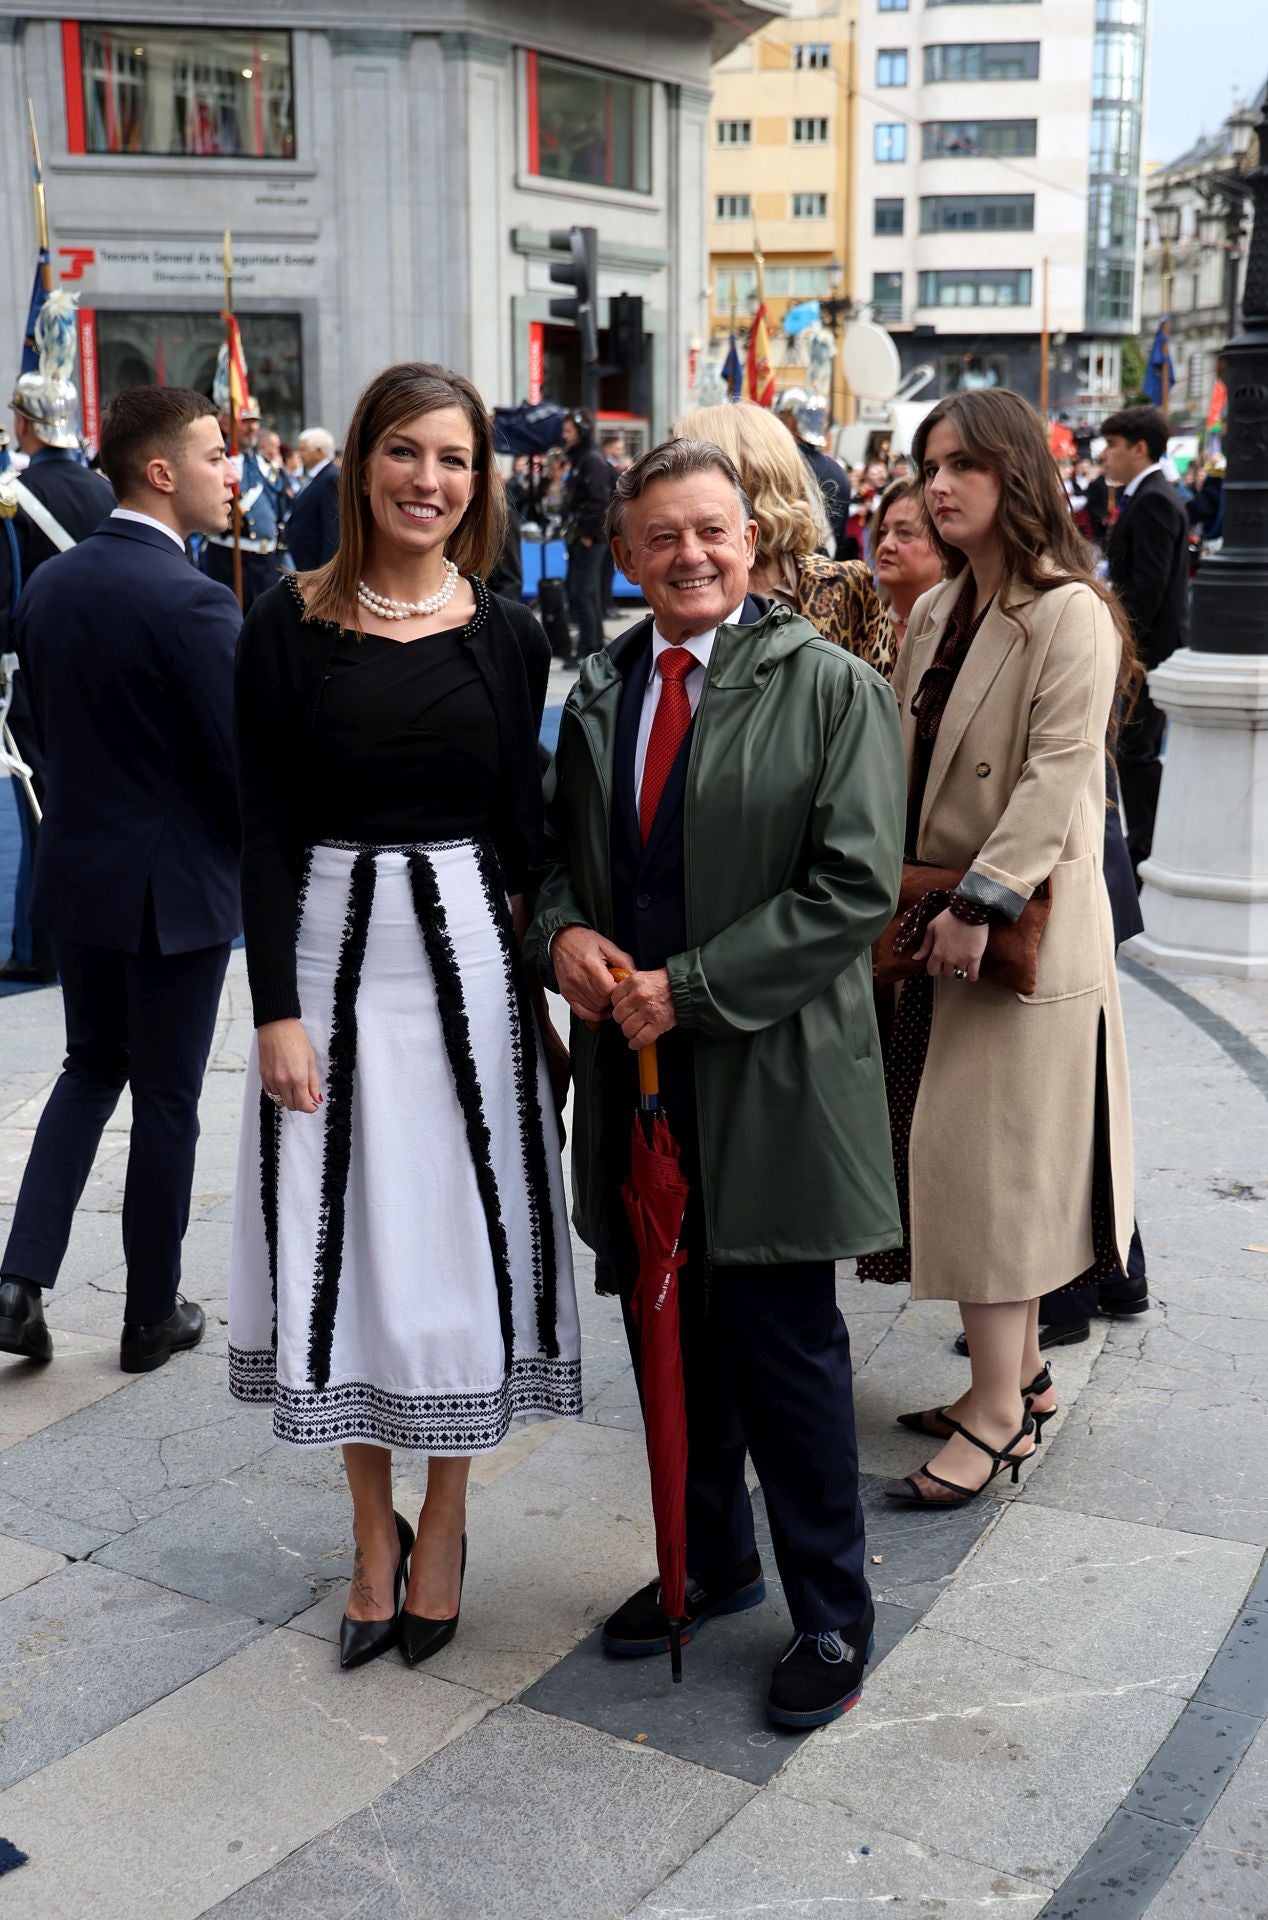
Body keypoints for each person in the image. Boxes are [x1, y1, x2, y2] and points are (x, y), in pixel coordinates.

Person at [525, 437, 905, 1729]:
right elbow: (563, 862)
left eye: (711, 531)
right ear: (624, 555)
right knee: (664, 1328)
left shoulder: (833, 690)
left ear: (753, 544)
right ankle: (709, 1563)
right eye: (660, 537)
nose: (688, 554)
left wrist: (685, 986)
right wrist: (563, 934)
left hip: (774, 1075)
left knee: (786, 1350)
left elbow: (851, 888)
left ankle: (835, 1618)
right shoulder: (600, 689)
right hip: (637, 1078)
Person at [228, 362, 580, 1672]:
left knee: (456, 1248)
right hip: (324, 963)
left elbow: (530, 837)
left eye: (454, 458)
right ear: (361, 463)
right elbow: (261, 827)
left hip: (469, 985)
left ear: (478, 480)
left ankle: (446, 1522)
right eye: (406, 453)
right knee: (344, 1256)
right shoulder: (286, 624)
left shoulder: (512, 632)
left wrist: (564, 970)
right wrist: (274, 1011)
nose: (429, 481)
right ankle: (370, 1537)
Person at [857, 388, 1136, 1508]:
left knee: (993, 1178)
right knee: (958, 1167)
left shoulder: (1066, 611)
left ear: (1015, 476)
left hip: (1010, 936)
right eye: (928, 463)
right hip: (934, 923)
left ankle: (996, 1415)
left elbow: (1055, 770)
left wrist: (977, 902)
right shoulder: (936, 607)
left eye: (962, 464)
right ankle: (1015, 1378)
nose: (936, 484)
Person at [0, 387, 241, 1372]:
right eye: (215, 453)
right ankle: (150, 1315)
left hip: (79, 874)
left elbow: (34, 730)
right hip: (173, 888)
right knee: (170, 1101)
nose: (231, 472)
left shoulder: (52, 584)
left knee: (90, 1068)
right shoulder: (193, 598)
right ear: (159, 471)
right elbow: (238, 765)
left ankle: (19, 1281)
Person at [1, 358, 114, 983]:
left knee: (39, 809)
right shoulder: (103, 489)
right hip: (100, 669)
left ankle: (38, 949)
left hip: (32, 675)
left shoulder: (10, 498)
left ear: (26, 426)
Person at [674, 401, 893, 673]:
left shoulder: (842, 588)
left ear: (745, 478)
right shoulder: (677, 579)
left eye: (682, 469)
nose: (667, 483)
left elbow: (883, 703)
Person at [1100, 404, 1190, 881]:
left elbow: (1148, 587)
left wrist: (1124, 646)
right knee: (1134, 750)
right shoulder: (1146, 494)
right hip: (1145, 649)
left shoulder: (1153, 498)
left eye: (1113, 445)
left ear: (1140, 448)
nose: (1104, 455)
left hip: (1148, 652)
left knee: (1136, 751)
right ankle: (1144, 844)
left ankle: (1146, 848)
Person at [201, 396, 287, 609]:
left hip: (265, 561)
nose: (252, 428)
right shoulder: (219, 462)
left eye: (254, 421)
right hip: (230, 558)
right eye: (244, 421)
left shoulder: (265, 465)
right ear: (224, 423)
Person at [870, 477, 945, 657]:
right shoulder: (859, 622)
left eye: (904, 533)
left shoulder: (954, 638)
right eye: (883, 533)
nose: (886, 544)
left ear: (945, 547)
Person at [561, 408, 615, 657]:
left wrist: (588, 535)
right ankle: (591, 645)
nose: (565, 435)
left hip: (591, 540)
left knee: (583, 594)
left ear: (582, 431)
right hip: (585, 537)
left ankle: (589, 648)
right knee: (585, 593)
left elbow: (599, 501)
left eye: (569, 430)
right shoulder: (582, 459)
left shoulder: (591, 460)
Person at [775, 389, 853, 556]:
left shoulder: (780, 466)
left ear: (789, 422)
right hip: (826, 571)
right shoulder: (838, 470)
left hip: (788, 573)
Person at [284, 427, 340, 571]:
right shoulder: (316, 476)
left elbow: (332, 528)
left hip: (315, 566)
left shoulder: (330, 478)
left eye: (303, 450)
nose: (299, 455)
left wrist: (326, 570)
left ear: (319, 451)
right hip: (304, 562)